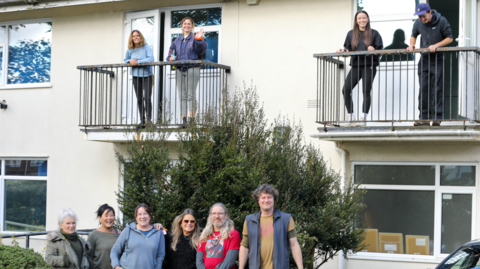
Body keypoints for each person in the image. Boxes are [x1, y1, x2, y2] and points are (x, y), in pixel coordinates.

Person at [407, 3, 453, 126]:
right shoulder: (418, 23)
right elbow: (413, 35)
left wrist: (436, 45)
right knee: (423, 89)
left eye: (424, 16)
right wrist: (412, 44)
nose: (422, 19)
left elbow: (450, 38)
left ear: (430, 12)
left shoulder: (441, 20)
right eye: (420, 17)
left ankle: (437, 118)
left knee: (437, 88)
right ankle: (423, 118)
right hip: (424, 59)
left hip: (437, 59)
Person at [238, 184, 303, 269]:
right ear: (258, 200)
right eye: (263, 197)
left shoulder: (286, 219)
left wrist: (300, 267)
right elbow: (245, 246)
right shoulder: (249, 220)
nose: (266, 200)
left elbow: (294, 244)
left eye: (269, 197)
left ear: (274, 199)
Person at [336, 10, 383, 126]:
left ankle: (364, 118)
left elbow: (380, 50)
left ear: (367, 19)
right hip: (356, 65)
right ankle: (351, 116)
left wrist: (374, 49)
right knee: (345, 90)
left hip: (369, 65)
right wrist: (343, 51)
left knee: (366, 91)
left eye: (364, 18)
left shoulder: (374, 33)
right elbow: (348, 49)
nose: (362, 20)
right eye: (359, 18)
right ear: (356, 21)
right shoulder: (351, 34)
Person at [167, 17, 207, 126]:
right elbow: (171, 53)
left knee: (190, 95)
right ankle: (184, 120)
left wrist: (199, 39)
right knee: (182, 95)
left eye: (189, 24)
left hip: (192, 68)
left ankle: (192, 120)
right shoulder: (177, 40)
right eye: (185, 24)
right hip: (180, 69)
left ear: (192, 26)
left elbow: (201, 49)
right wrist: (170, 58)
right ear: (182, 25)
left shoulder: (195, 38)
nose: (187, 26)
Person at [110, 203, 165, 269]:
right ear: (136, 217)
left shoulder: (158, 233)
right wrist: (116, 266)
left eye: (145, 213)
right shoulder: (128, 230)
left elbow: (160, 255)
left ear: (150, 216)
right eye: (139, 214)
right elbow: (115, 250)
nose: (142, 217)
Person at [124, 30, 155, 127]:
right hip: (136, 77)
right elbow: (125, 60)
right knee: (140, 99)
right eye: (134, 36)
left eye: (138, 35)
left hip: (147, 76)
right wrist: (130, 60)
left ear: (140, 37)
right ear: (131, 38)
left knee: (147, 98)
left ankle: (149, 121)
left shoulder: (146, 47)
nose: (136, 37)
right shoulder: (130, 49)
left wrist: (138, 62)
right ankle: (142, 121)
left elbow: (151, 59)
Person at [196, 203, 241, 269]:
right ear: (210, 216)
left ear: (226, 216)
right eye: (214, 213)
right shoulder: (204, 235)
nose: (217, 216)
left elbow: (229, 262)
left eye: (220, 213)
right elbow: (199, 262)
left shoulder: (233, 234)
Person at [87, 204, 120, 269]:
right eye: (106, 216)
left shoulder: (120, 235)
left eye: (111, 215)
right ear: (99, 218)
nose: (109, 218)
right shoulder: (93, 235)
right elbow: (88, 257)